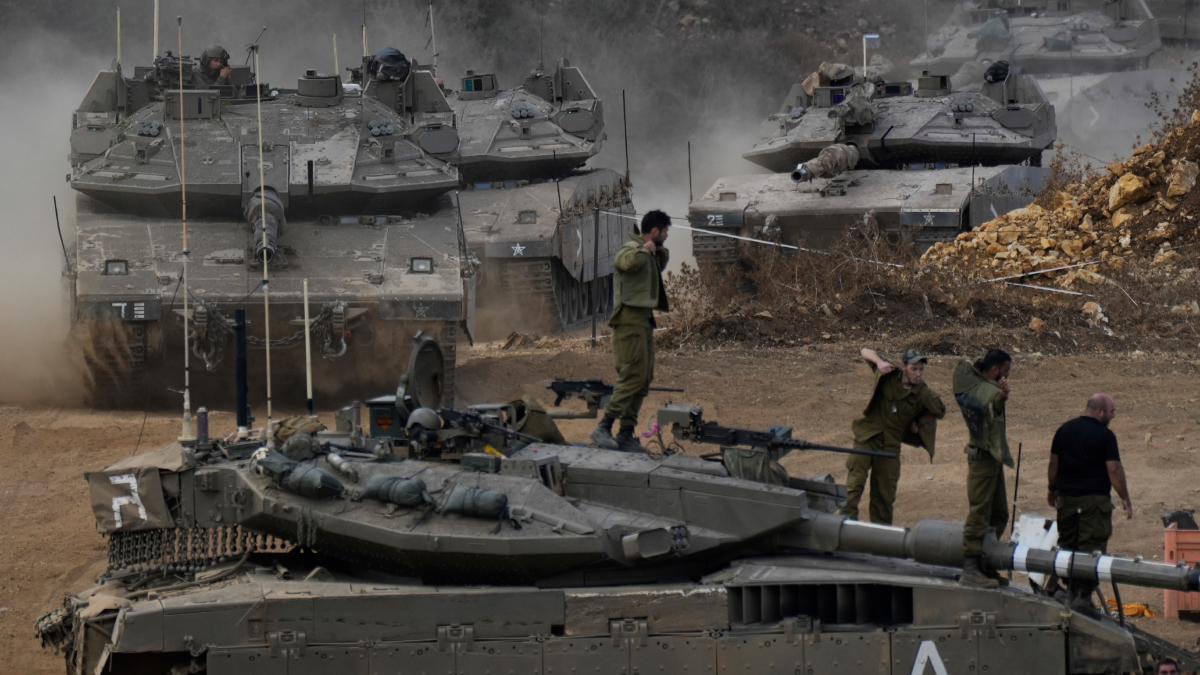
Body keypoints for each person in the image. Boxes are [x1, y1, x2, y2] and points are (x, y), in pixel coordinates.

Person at [589, 210, 670, 453]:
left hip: (643, 322)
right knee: (631, 377)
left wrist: (656, 249)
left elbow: (660, 264)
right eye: (664, 232)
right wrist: (646, 248)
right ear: (655, 231)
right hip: (628, 323)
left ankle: (625, 432)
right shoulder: (631, 248)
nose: (666, 236)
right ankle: (603, 427)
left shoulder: (649, 250)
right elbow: (625, 262)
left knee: (643, 379)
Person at [837, 347, 945, 525]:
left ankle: (880, 538)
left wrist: (918, 423)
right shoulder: (888, 374)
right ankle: (845, 526)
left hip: (890, 446)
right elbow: (864, 350)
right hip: (867, 437)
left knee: (884, 494)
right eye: (914, 369)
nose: (918, 374)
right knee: (854, 485)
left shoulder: (923, 393)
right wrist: (880, 363)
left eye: (921, 369)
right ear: (904, 366)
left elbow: (940, 410)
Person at [1047, 393, 1132, 609]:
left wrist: (1052, 489)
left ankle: (1071, 592)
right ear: (1100, 411)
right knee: (1092, 547)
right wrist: (1125, 498)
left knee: (1069, 544)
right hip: (1094, 501)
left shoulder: (1063, 430)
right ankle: (1083, 598)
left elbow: (1053, 464)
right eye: (1112, 412)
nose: (1114, 416)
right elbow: (1113, 469)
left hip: (1066, 500)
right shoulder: (1105, 435)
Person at [953, 348, 1014, 587]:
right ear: (996, 370)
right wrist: (1002, 396)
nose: (1008, 376)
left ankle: (985, 562)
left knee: (999, 514)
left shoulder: (969, 379)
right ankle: (971, 569)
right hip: (983, 459)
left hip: (992, 459)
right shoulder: (985, 393)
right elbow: (991, 408)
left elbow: (969, 365)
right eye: (1006, 371)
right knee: (979, 514)